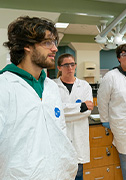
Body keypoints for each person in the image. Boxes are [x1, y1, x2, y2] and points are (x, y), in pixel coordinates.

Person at [0, 16, 77, 179]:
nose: (55, 49)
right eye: (48, 42)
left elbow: (60, 133)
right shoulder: (4, 85)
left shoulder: (51, 87)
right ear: (27, 45)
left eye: (55, 42)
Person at [97, 44, 126, 180]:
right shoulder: (110, 76)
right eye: (124, 54)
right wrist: (105, 119)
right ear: (119, 58)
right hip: (122, 127)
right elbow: (102, 100)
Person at [54, 53, 94, 180]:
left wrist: (63, 110)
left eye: (72, 64)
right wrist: (80, 107)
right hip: (59, 138)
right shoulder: (52, 86)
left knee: (78, 174)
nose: (70, 68)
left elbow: (87, 111)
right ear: (59, 67)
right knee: (59, 174)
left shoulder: (84, 86)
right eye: (66, 65)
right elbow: (53, 111)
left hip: (78, 137)